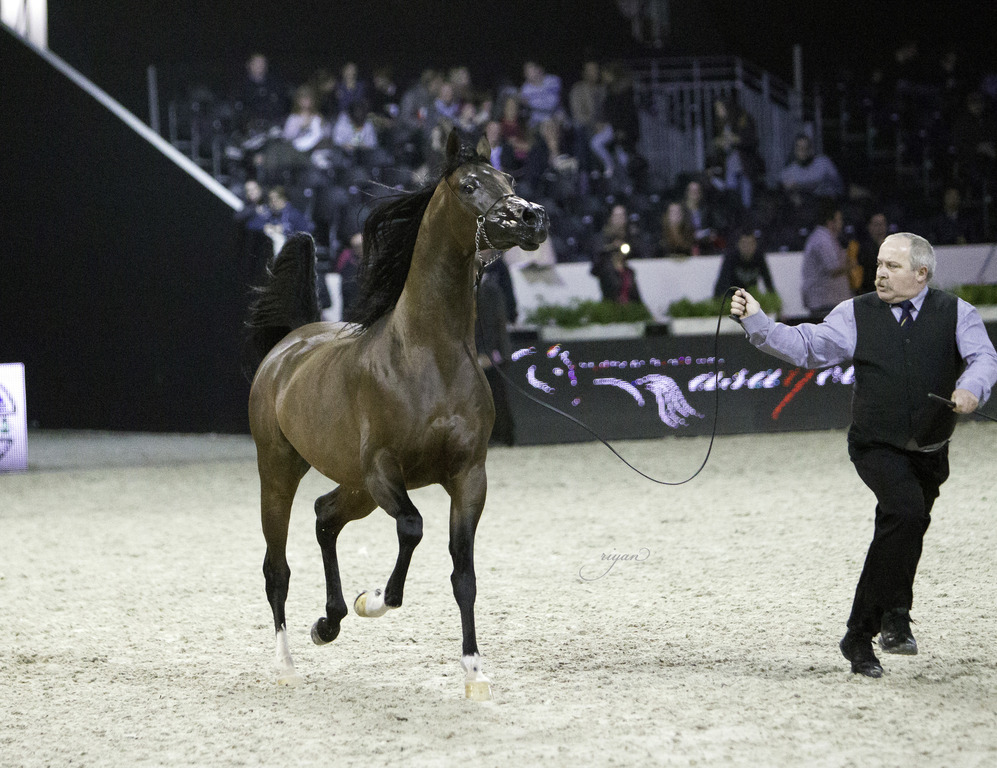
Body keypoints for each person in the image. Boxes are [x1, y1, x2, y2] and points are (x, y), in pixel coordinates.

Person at [730, 232, 997, 678]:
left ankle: (895, 615)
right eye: (879, 264)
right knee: (906, 514)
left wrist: (972, 389)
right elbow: (808, 346)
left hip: (930, 447)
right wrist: (758, 322)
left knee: (904, 527)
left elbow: (984, 359)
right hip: (875, 444)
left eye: (892, 266)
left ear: (921, 273)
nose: (880, 273)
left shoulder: (956, 313)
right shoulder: (855, 313)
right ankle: (860, 633)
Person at [801, 198, 851, 319]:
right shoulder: (823, 240)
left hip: (828, 302)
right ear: (830, 222)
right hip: (824, 302)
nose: (841, 223)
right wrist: (852, 265)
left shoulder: (825, 238)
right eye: (839, 220)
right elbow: (834, 269)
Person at [713, 229, 775, 298]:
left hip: (751, 298)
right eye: (744, 243)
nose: (747, 247)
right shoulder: (731, 258)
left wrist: (773, 299)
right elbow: (722, 282)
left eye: (750, 244)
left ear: (755, 245)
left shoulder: (759, 257)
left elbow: (768, 281)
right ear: (738, 244)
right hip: (733, 298)